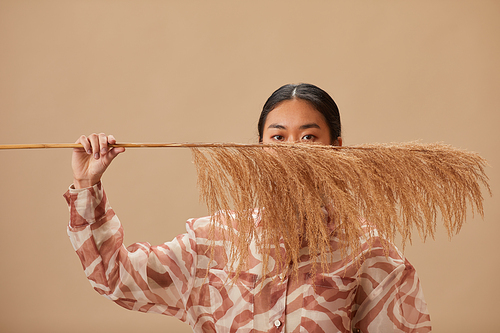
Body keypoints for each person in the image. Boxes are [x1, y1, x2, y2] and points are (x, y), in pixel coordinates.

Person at [65, 83, 431, 332]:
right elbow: (116, 277)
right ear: (258, 148)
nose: (292, 149)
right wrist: (87, 185)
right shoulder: (214, 242)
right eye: (277, 136)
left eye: (308, 136)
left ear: (336, 148)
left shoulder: (368, 251)